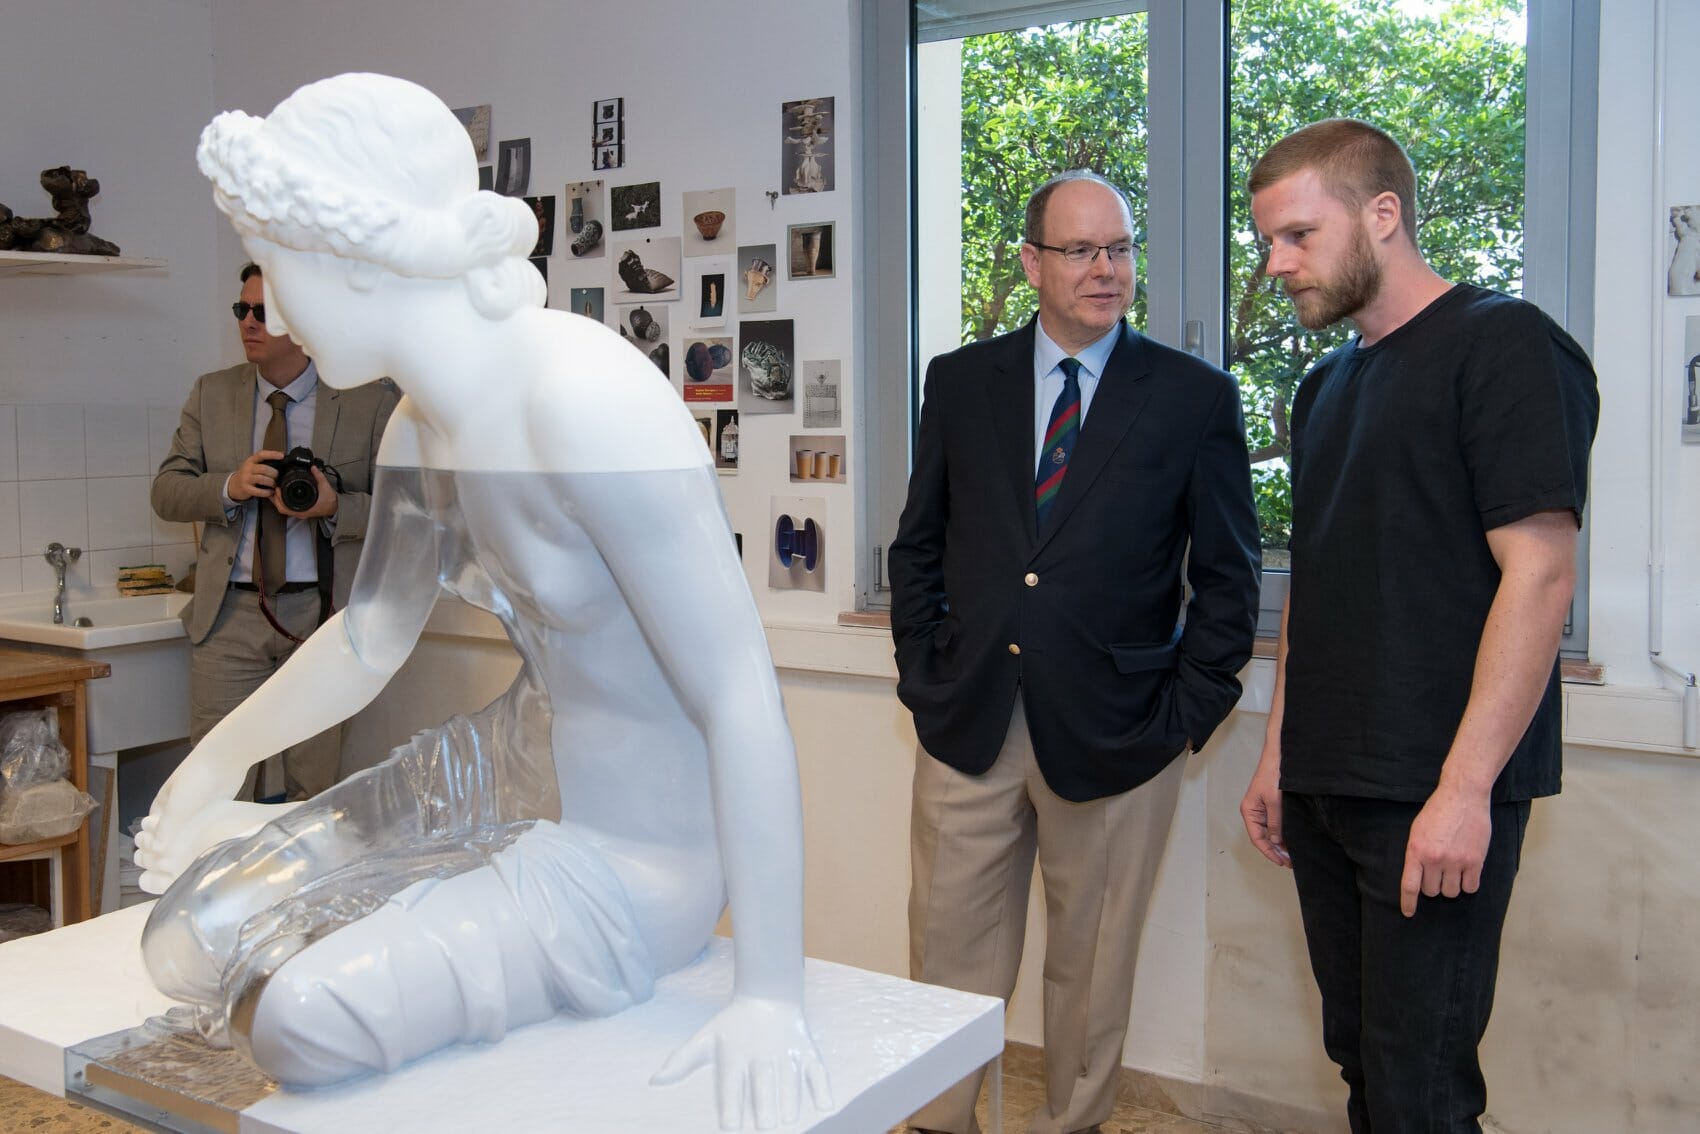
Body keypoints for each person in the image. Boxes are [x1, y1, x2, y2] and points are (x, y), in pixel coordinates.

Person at [132, 73, 829, 1130]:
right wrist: (217, 759)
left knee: (297, 1021)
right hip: (513, 779)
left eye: (276, 272)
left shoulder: (582, 401)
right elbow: (369, 637)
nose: (270, 312)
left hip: (633, 862)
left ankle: (386, 914)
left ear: (358, 262)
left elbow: (739, 692)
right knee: (184, 938)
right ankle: (376, 891)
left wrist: (770, 996)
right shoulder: (422, 426)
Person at [1238, 119, 1599, 1133]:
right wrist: (1276, 755)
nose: (1276, 266)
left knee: (1420, 1089)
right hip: (1326, 782)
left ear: (1382, 215)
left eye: (1298, 237)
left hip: (1430, 790)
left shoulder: (1503, 345)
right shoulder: (1323, 388)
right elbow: (1314, 580)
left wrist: (1463, 790)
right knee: (1361, 1061)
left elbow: (1538, 574)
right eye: (1267, 242)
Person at [889, 170, 1261, 1134]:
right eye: (1082, 250)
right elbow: (919, 542)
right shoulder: (962, 382)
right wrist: (925, 675)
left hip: (1118, 733)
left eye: (1121, 248)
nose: (1107, 269)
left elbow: (1228, 577)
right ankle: (936, 1120)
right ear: (1031, 263)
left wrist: (1188, 710)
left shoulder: (1192, 398)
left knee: (1091, 969)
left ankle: (1073, 1125)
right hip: (968, 717)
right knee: (946, 953)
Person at [153, 262, 398, 801]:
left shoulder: (369, 400)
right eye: (242, 310)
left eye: (264, 313)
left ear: (305, 325)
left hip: (323, 616)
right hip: (228, 617)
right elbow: (166, 491)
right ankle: (215, 883)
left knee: (312, 787)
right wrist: (229, 487)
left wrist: (335, 506)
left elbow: (409, 511)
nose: (248, 323)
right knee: (212, 782)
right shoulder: (211, 394)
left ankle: (296, 887)